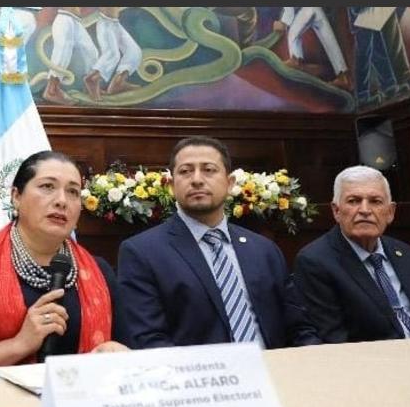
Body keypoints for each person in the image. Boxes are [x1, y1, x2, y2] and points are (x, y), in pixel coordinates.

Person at [0, 150, 129, 373]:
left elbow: (128, 349)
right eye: (47, 186)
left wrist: (115, 352)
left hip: (80, 401)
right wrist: (18, 345)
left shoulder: (99, 271)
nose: (61, 201)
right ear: (16, 196)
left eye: (73, 192)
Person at [117, 136, 320, 349]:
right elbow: (149, 339)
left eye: (209, 170)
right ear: (171, 185)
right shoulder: (142, 252)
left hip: (274, 373)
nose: (197, 179)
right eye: (185, 171)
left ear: (230, 183)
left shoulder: (264, 250)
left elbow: (299, 327)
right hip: (197, 379)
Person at [293, 165, 410, 342]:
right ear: (336, 211)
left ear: (390, 212)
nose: (365, 210)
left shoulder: (409, 256)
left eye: (375, 201)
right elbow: (334, 339)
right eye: (354, 201)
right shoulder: (316, 262)